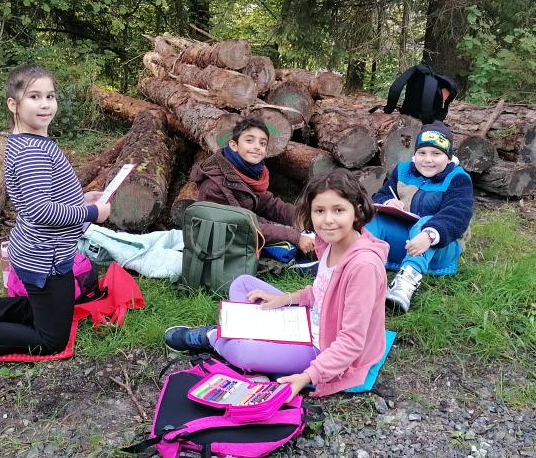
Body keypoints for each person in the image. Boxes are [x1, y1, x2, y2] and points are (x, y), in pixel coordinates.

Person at [0, 65, 111, 378]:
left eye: (50, 96)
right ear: (13, 104)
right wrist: (91, 214)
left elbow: (40, 197)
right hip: (47, 257)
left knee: (43, 309)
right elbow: (40, 210)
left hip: (36, 250)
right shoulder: (33, 152)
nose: (45, 104)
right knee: (51, 338)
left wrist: (81, 200)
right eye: (34, 97)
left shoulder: (26, 142)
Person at [164, 169, 388, 400]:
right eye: (319, 211)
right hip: (307, 321)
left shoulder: (363, 267)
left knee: (245, 352)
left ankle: (213, 337)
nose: (328, 220)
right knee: (243, 284)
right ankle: (243, 336)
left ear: (357, 210)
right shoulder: (329, 243)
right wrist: (286, 299)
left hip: (323, 347)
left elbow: (351, 342)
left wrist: (308, 376)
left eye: (338, 210)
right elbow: (323, 291)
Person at [366, 122, 473, 311]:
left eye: (436, 154)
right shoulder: (403, 170)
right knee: (373, 219)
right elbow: (383, 194)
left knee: (426, 222)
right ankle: (362, 265)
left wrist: (430, 234)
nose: (428, 160)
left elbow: (457, 214)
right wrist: (388, 202)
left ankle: (406, 282)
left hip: (440, 247)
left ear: (448, 158)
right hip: (407, 241)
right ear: (414, 155)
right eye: (422, 153)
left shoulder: (458, 178)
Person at [190, 118, 314, 255]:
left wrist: (307, 219)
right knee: (289, 248)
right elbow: (241, 228)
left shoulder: (247, 172)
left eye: (262, 143)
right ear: (233, 145)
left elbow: (271, 205)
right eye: (249, 141)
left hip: (243, 233)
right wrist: (294, 236)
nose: (257, 147)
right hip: (221, 250)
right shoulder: (215, 185)